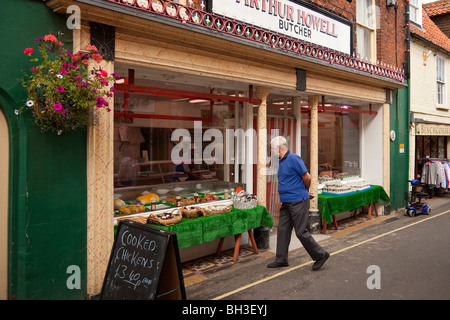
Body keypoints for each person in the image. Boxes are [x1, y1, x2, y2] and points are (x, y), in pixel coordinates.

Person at [267, 136, 330, 271]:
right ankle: (281, 259)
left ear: (279, 147)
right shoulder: (280, 161)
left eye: (272, 148)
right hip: (286, 202)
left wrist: (305, 191)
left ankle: (321, 255)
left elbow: (307, 177)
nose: (272, 151)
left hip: (297, 201)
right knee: (283, 230)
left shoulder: (294, 158)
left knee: (301, 232)